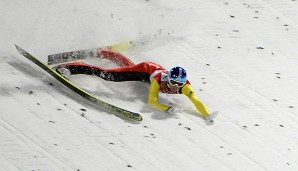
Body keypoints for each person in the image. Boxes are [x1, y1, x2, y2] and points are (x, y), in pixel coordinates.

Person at [54, 48, 217, 119]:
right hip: (145, 71)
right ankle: (70, 68)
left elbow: (196, 100)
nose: (174, 86)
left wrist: (207, 114)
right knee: (109, 76)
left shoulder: (185, 87)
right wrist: (167, 107)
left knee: (125, 68)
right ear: (168, 79)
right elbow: (152, 100)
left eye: (177, 83)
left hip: (150, 71)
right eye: (173, 81)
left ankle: (111, 54)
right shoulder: (159, 80)